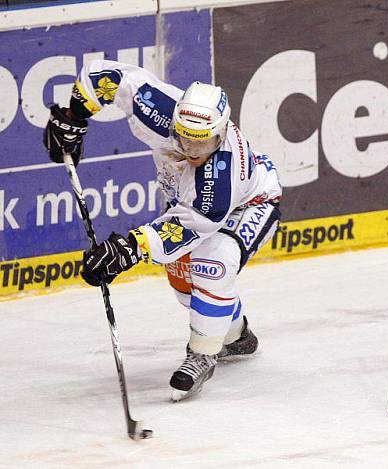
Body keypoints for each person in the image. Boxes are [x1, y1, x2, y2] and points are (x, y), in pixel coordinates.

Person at [43, 60, 282, 401]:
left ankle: (202, 353)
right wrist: (73, 115)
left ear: (223, 132)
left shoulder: (224, 172)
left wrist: (128, 249)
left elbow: (190, 226)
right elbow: (109, 77)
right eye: (186, 140)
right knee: (184, 283)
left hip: (252, 203)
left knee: (211, 268)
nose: (193, 151)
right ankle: (235, 336)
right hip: (190, 206)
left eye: (204, 143)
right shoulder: (158, 107)